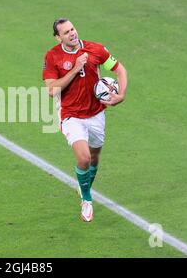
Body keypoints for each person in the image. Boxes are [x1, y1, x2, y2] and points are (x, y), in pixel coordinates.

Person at [42, 18, 128, 222]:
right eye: (66, 32)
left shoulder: (95, 50)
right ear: (58, 37)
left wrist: (121, 94)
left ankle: (85, 187)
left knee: (95, 157)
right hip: (71, 115)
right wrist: (74, 68)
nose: (72, 34)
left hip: (96, 113)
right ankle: (87, 200)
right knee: (84, 159)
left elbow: (119, 69)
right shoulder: (53, 56)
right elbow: (51, 90)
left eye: (72, 29)